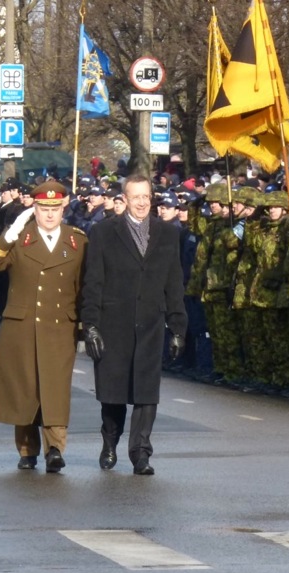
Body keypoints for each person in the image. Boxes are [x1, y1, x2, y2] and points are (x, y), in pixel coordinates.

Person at [81, 174, 188, 476]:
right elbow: (94, 281)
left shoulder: (167, 233)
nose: (141, 203)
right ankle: (110, 441)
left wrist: (178, 327)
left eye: (146, 196)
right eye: (135, 197)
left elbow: (174, 282)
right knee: (114, 391)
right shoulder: (103, 232)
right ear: (124, 199)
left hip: (151, 322)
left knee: (146, 392)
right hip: (113, 322)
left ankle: (141, 452)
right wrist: (89, 325)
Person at [0, 180, 87, 473]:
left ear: (64, 207)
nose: (49, 215)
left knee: (55, 388)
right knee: (24, 386)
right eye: (43, 208)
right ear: (34, 208)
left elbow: (83, 288)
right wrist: (9, 234)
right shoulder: (20, 239)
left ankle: (55, 448)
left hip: (59, 325)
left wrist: (84, 328)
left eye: (55, 208)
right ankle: (27, 450)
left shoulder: (77, 241)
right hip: (23, 325)